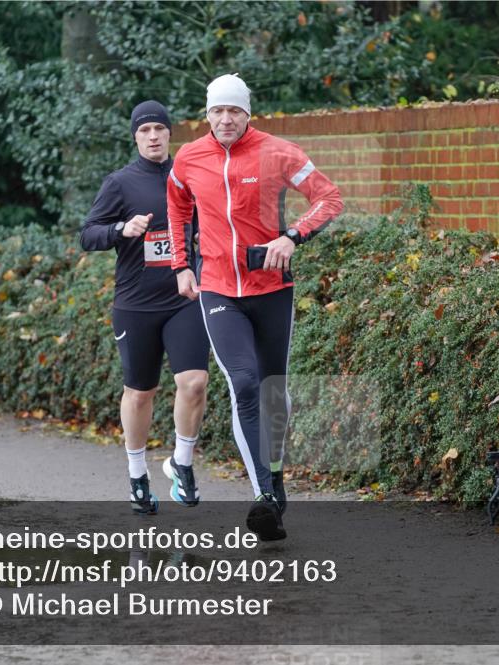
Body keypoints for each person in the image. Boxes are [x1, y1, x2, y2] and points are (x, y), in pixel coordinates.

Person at [167, 75, 343, 540]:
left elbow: (329, 198)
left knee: (273, 392)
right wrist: (182, 265)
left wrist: (292, 237)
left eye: (234, 111)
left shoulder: (278, 153)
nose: (225, 119)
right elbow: (177, 209)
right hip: (218, 288)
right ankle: (264, 495)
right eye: (217, 111)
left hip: (271, 289)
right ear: (207, 114)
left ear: (248, 113)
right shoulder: (188, 158)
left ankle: (275, 476)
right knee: (244, 383)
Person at [80, 100, 209, 515]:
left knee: (194, 383)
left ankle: (182, 464)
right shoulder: (120, 183)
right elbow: (88, 235)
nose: (153, 136)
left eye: (159, 129)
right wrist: (122, 229)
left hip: (184, 298)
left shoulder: (188, 177)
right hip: (136, 304)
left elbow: (207, 227)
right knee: (140, 393)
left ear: (170, 133)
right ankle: (137, 475)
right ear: (135, 137)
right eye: (144, 130)